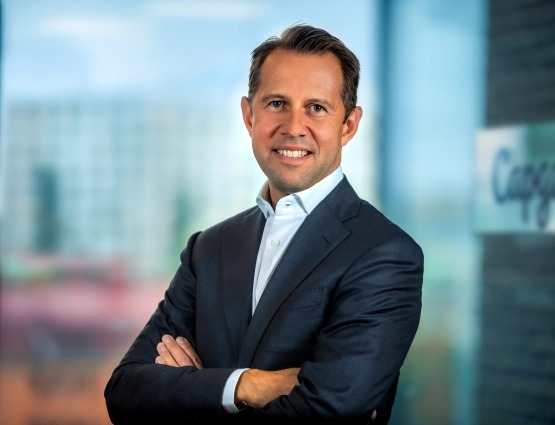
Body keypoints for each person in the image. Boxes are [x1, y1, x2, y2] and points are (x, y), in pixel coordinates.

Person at [104, 23, 424, 424]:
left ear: (349, 126)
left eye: (316, 108)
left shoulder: (384, 254)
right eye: (276, 103)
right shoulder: (209, 249)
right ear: (248, 115)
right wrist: (249, 385)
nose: (293, 127)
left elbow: (330, 410)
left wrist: (198, 389)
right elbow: (125, 393)